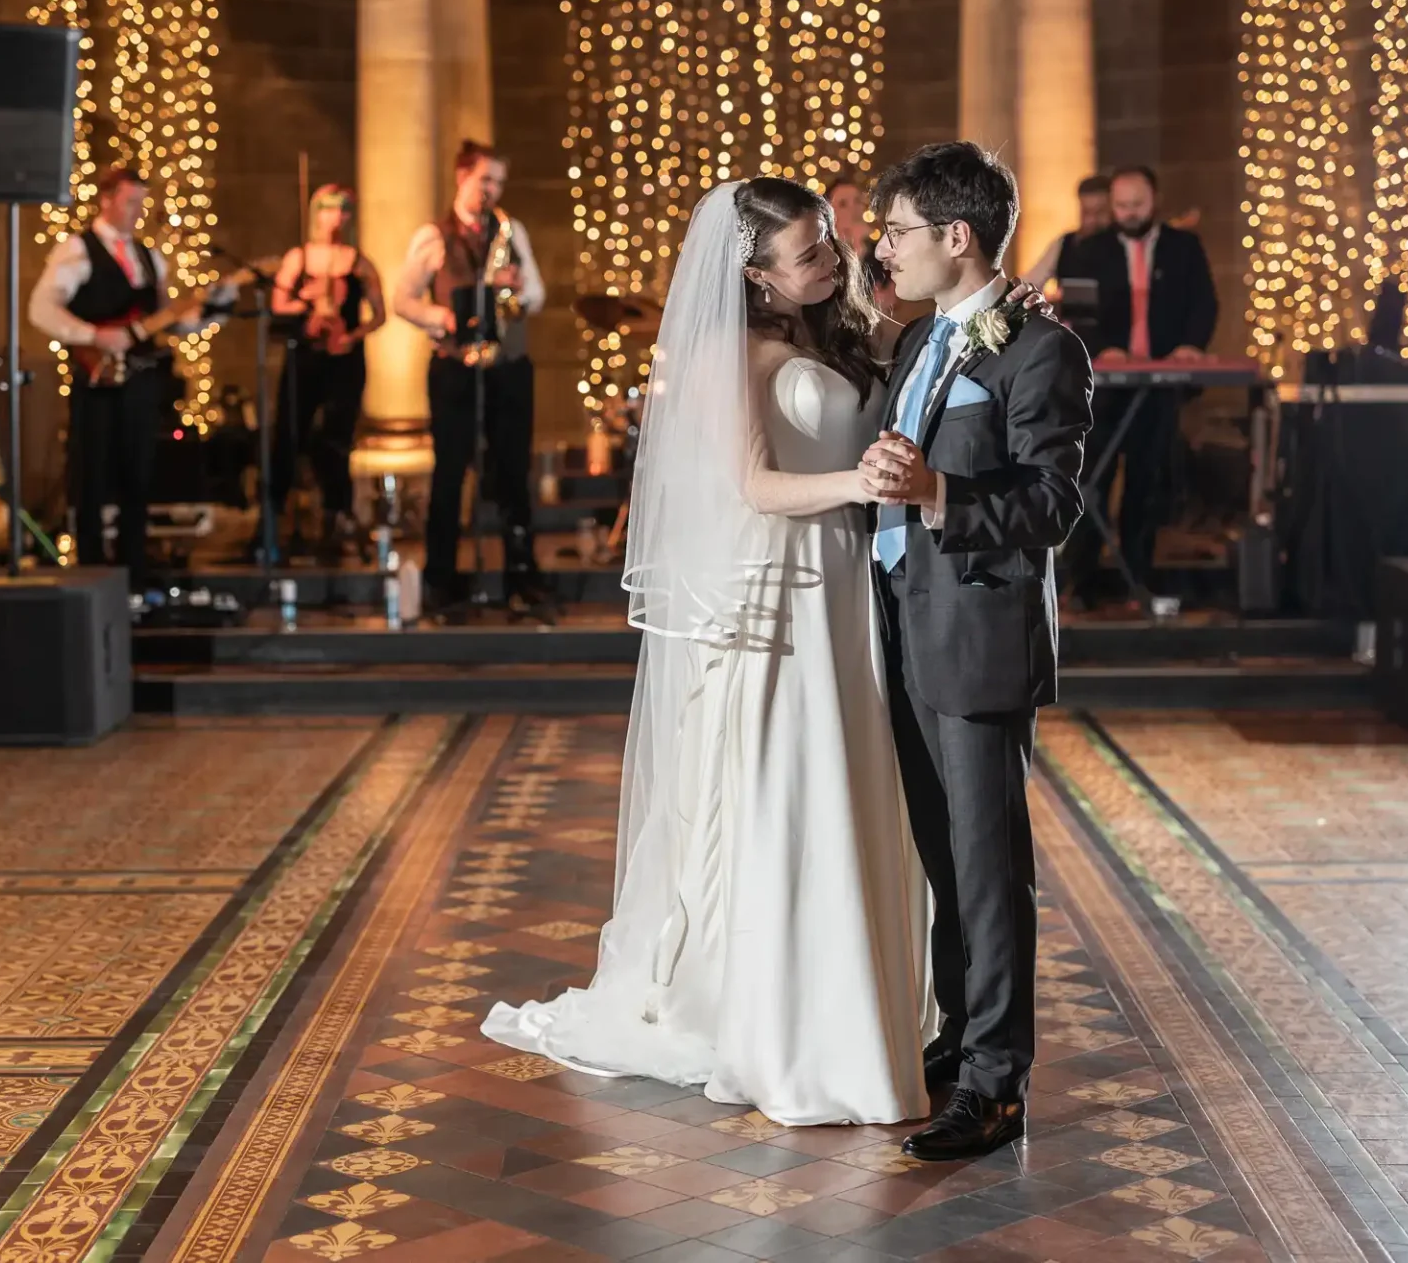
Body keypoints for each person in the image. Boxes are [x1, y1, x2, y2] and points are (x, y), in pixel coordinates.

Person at [482, 177, 933, 1126]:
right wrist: (858, 481)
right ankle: (772, 1016)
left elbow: (935, 344)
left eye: (827, 242)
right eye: (809, 252)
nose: (833, 258)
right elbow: (756, 487)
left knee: (852, 780)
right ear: (755, 275)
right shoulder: (732, 351)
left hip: (851, 588)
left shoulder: (840, 329)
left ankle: (858, 1000)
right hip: (785, 591)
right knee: (789, 789)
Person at [863, 141, 1093, 1159]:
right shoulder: (921, 343)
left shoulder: (1043, 350)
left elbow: (1052, 504)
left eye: (898, 231)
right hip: (906, 624)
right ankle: (959, 1038)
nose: (883, 247)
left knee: (990, 866)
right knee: (945, 858)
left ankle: (998, 1084)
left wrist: (939, 494)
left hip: (979, 634)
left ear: (957, 237)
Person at [28, 167, 234, 587]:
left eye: (141, 202)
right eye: (130, 202)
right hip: (99, 378)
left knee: (137, 473)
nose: (138, 211)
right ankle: (89, 569)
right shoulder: (77, 251)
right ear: (106, 199)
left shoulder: (147, 256)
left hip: (142, 378)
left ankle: (132, 570)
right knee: (93, 472)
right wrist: (92, 335)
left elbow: (164, 321)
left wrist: (213, 311)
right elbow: (41, 309)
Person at [394, 140, 548, 619]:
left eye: (499, 182)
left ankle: (522, 576)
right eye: (485, 180)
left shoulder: (510, 229)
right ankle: (441, 579)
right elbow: (402, 299)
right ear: (462, 177)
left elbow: (538, 295)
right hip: (455, 368)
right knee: (449, 473)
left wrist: (518, 291)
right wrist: (438, 316)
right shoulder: (433, 235)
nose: (492, 191)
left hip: (507, 366)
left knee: (512, 475)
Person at [1062, 164, 1219, 604]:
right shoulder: (1087, 250)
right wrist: (1103, 347)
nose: (1129, 213)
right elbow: (1077, 312)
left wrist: (1190, 345)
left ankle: (1138, 580)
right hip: (1104, 385)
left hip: (1159, 384)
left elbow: (1204, 303)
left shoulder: (1184, 248)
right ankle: (1082, 583)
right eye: (1122, 206)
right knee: (1092, 476)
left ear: (1155, 201)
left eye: (1138, 205)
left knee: (1147, 483)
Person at [267, 184, 386, 562]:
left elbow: (379, 314)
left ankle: (336, 514)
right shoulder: (298, 258)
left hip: (344, 358)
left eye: (343, 211)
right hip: (306, 355)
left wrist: (352, 335)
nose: (336, 218)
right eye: (329, 210)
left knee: (337, 435)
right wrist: (309, 302)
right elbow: (278, 303)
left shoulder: (358, 261)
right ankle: (278, 516)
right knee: (290, 430)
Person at [826, 175, 899, 318]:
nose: (853, 210)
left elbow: (891, 297)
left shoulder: (880, 252)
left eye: (857, 201)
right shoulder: (824, 253)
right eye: (843, 204)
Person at [1024, 174, 1112, 291]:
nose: (1092, 220)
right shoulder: (1063, 244)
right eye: (1086, 212)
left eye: (1100, 212)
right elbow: (1030, 282)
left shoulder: (1128, 245)